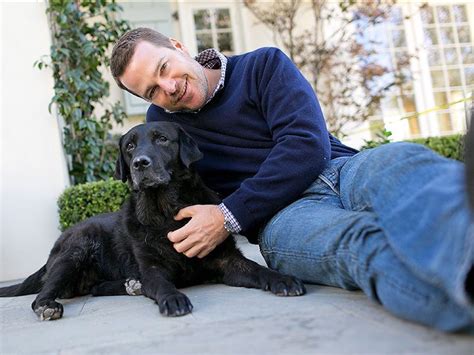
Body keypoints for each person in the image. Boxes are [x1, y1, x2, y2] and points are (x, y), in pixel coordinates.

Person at [110, 27, 474, 332]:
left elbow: (306, 145)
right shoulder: (162, 126)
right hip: (282, 217)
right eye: (152, 90)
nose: (168, 88)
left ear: (178, 47)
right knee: (357, 242)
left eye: (164, 68)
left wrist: (228, 215)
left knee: (405, 166)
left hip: (343, 170)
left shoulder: (262, 65)